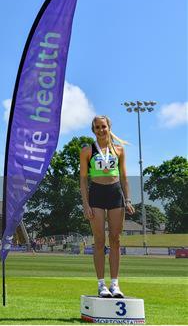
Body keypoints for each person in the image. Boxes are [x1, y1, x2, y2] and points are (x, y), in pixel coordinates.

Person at [80, 115, 135, 298]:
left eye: (103, 126)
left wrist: (128, 200)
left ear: (109, 127)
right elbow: (83, 180)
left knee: (115, 240)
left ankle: (115, 284)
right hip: (96, 193)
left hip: (115, 193)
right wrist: (85, 204)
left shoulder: (119, 150)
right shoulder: (87, 151)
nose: (101, 130)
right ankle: (101, 284)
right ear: (93, 130)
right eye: (97, 127)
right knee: (99, 240)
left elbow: (125, 177)